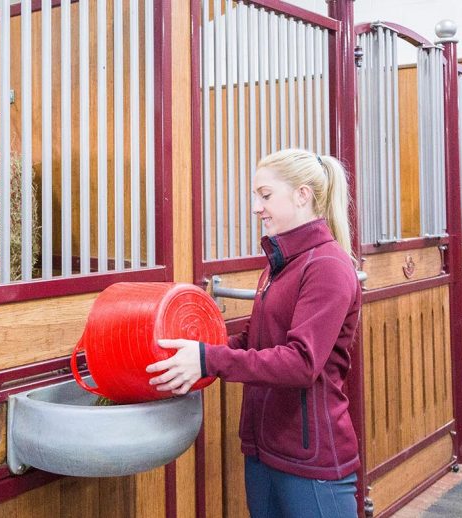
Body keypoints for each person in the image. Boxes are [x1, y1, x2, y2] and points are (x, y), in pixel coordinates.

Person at [146, 149, 362, 517]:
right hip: (265, 451)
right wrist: (194, 352)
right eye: (256, 197)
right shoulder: (279, 265)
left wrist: (207, 359)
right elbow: (253, 343)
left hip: (311, 461)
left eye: (265, 195)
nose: (256, 207)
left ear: (302, 195)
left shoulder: (327, 266)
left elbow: (301, 363)